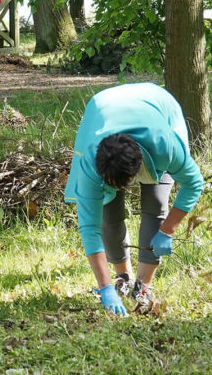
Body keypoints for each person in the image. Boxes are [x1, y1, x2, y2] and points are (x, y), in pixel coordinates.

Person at [64, 83, 204, 316]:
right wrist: (105, 287)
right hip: (102, 108)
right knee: (108, 212)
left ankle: (143, 287)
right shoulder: (90, 160)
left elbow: (194, 183)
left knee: (156, 205)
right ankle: (123, 278)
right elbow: (89, 228)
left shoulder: (165, 145)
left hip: (157, 105)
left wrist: (167, 230)